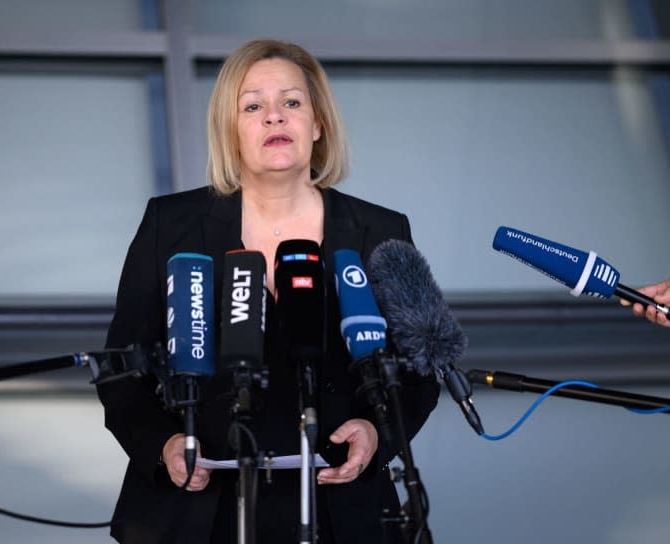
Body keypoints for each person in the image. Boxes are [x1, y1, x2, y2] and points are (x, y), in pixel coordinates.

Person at [96, 39, 440, 544]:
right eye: (253, 105)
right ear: (230, 130)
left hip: (340, 509)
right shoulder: (170, 225)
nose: (274, 117)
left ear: (317, 124)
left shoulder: (381, 229)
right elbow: (120, 367)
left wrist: (377, 434)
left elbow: (423, 365)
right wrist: (162, 443)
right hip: (199, 511)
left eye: (292, 103)